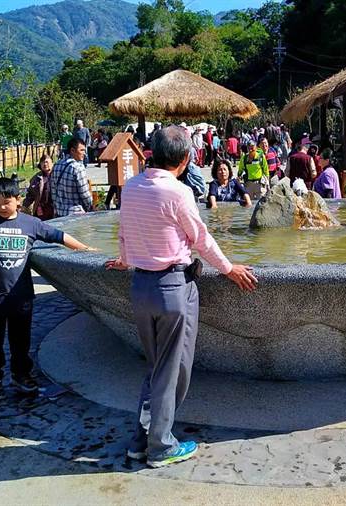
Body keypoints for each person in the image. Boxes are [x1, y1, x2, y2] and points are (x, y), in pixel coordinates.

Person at [104, 125, 257, 468]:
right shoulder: (179, 192)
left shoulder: (130, 187)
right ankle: (161, 446)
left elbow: (125, 232)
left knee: (157, 367)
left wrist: (125, 261)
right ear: (186, 159)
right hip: (174, 289)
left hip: (141, 287)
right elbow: (201, 239)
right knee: (173, 370)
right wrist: (228, 268)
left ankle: (141, 440)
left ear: (149, 153)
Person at [0, 177, 92, 400]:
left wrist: (86, 248)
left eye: (7, 201)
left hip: (20, 296)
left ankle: (21, 375)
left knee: (20, 340)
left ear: (18, 200)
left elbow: (58, 235)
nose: (1, 207)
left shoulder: (30, 223)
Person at [50, 138, 93, 217]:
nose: (84, 153)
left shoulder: (57, 165)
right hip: (76, 214)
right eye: (82, 150)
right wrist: (90, 206)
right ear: (72, 150)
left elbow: (53, 190)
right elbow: (85, 194)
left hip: (60, 214)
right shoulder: (78, 168)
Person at [22, 154, 56, 220]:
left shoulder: (56, 176)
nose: (45, 164)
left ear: (52, 163)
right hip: (41, 210)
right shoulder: (36, 178)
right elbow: (30, 194)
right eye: (43, 162)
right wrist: (25, 206)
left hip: (55, 208)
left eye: (47, 162)